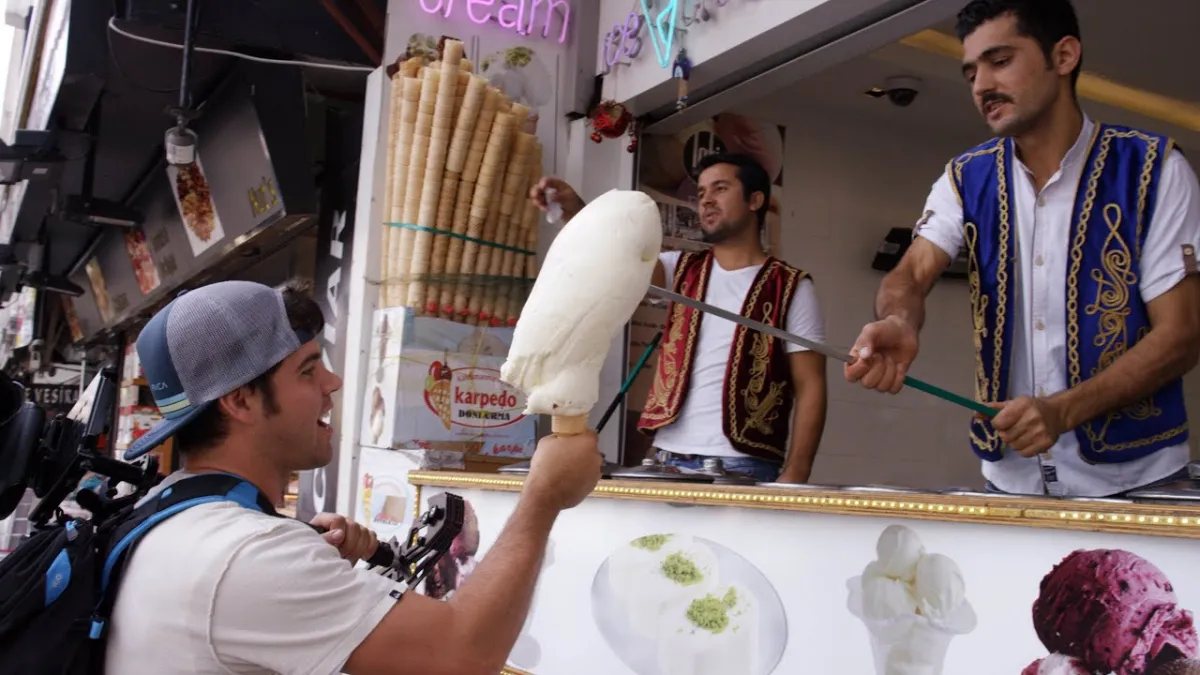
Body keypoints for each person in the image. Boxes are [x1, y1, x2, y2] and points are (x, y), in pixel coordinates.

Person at [105, 279, 602, 675]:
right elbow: (461, 659)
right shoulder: (247, 554)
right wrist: (543, 499)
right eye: (307, 371)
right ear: (240, 401)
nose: (332, 383)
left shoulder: (170, 514)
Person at [845, 0, 1200, 497]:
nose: (981, 85)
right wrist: (900, 320)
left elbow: (1182, 335)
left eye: (1000, 61)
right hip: (1010, 481)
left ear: (1064, 56)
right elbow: (909, 274)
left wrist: (1062, 411)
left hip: (1136, 479)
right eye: (971, 71)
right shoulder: (966, 178)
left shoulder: (1152, 169)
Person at [530, 152, 828, 484]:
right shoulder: (680, 268)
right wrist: (578, 211)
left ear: (755, 200)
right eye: (701, 193)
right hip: (665, 457)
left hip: (744, 464)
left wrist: (797, 472)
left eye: (720, 189)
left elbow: (811, 384)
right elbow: (616, 255)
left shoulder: (790, 286)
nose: (707, 201)